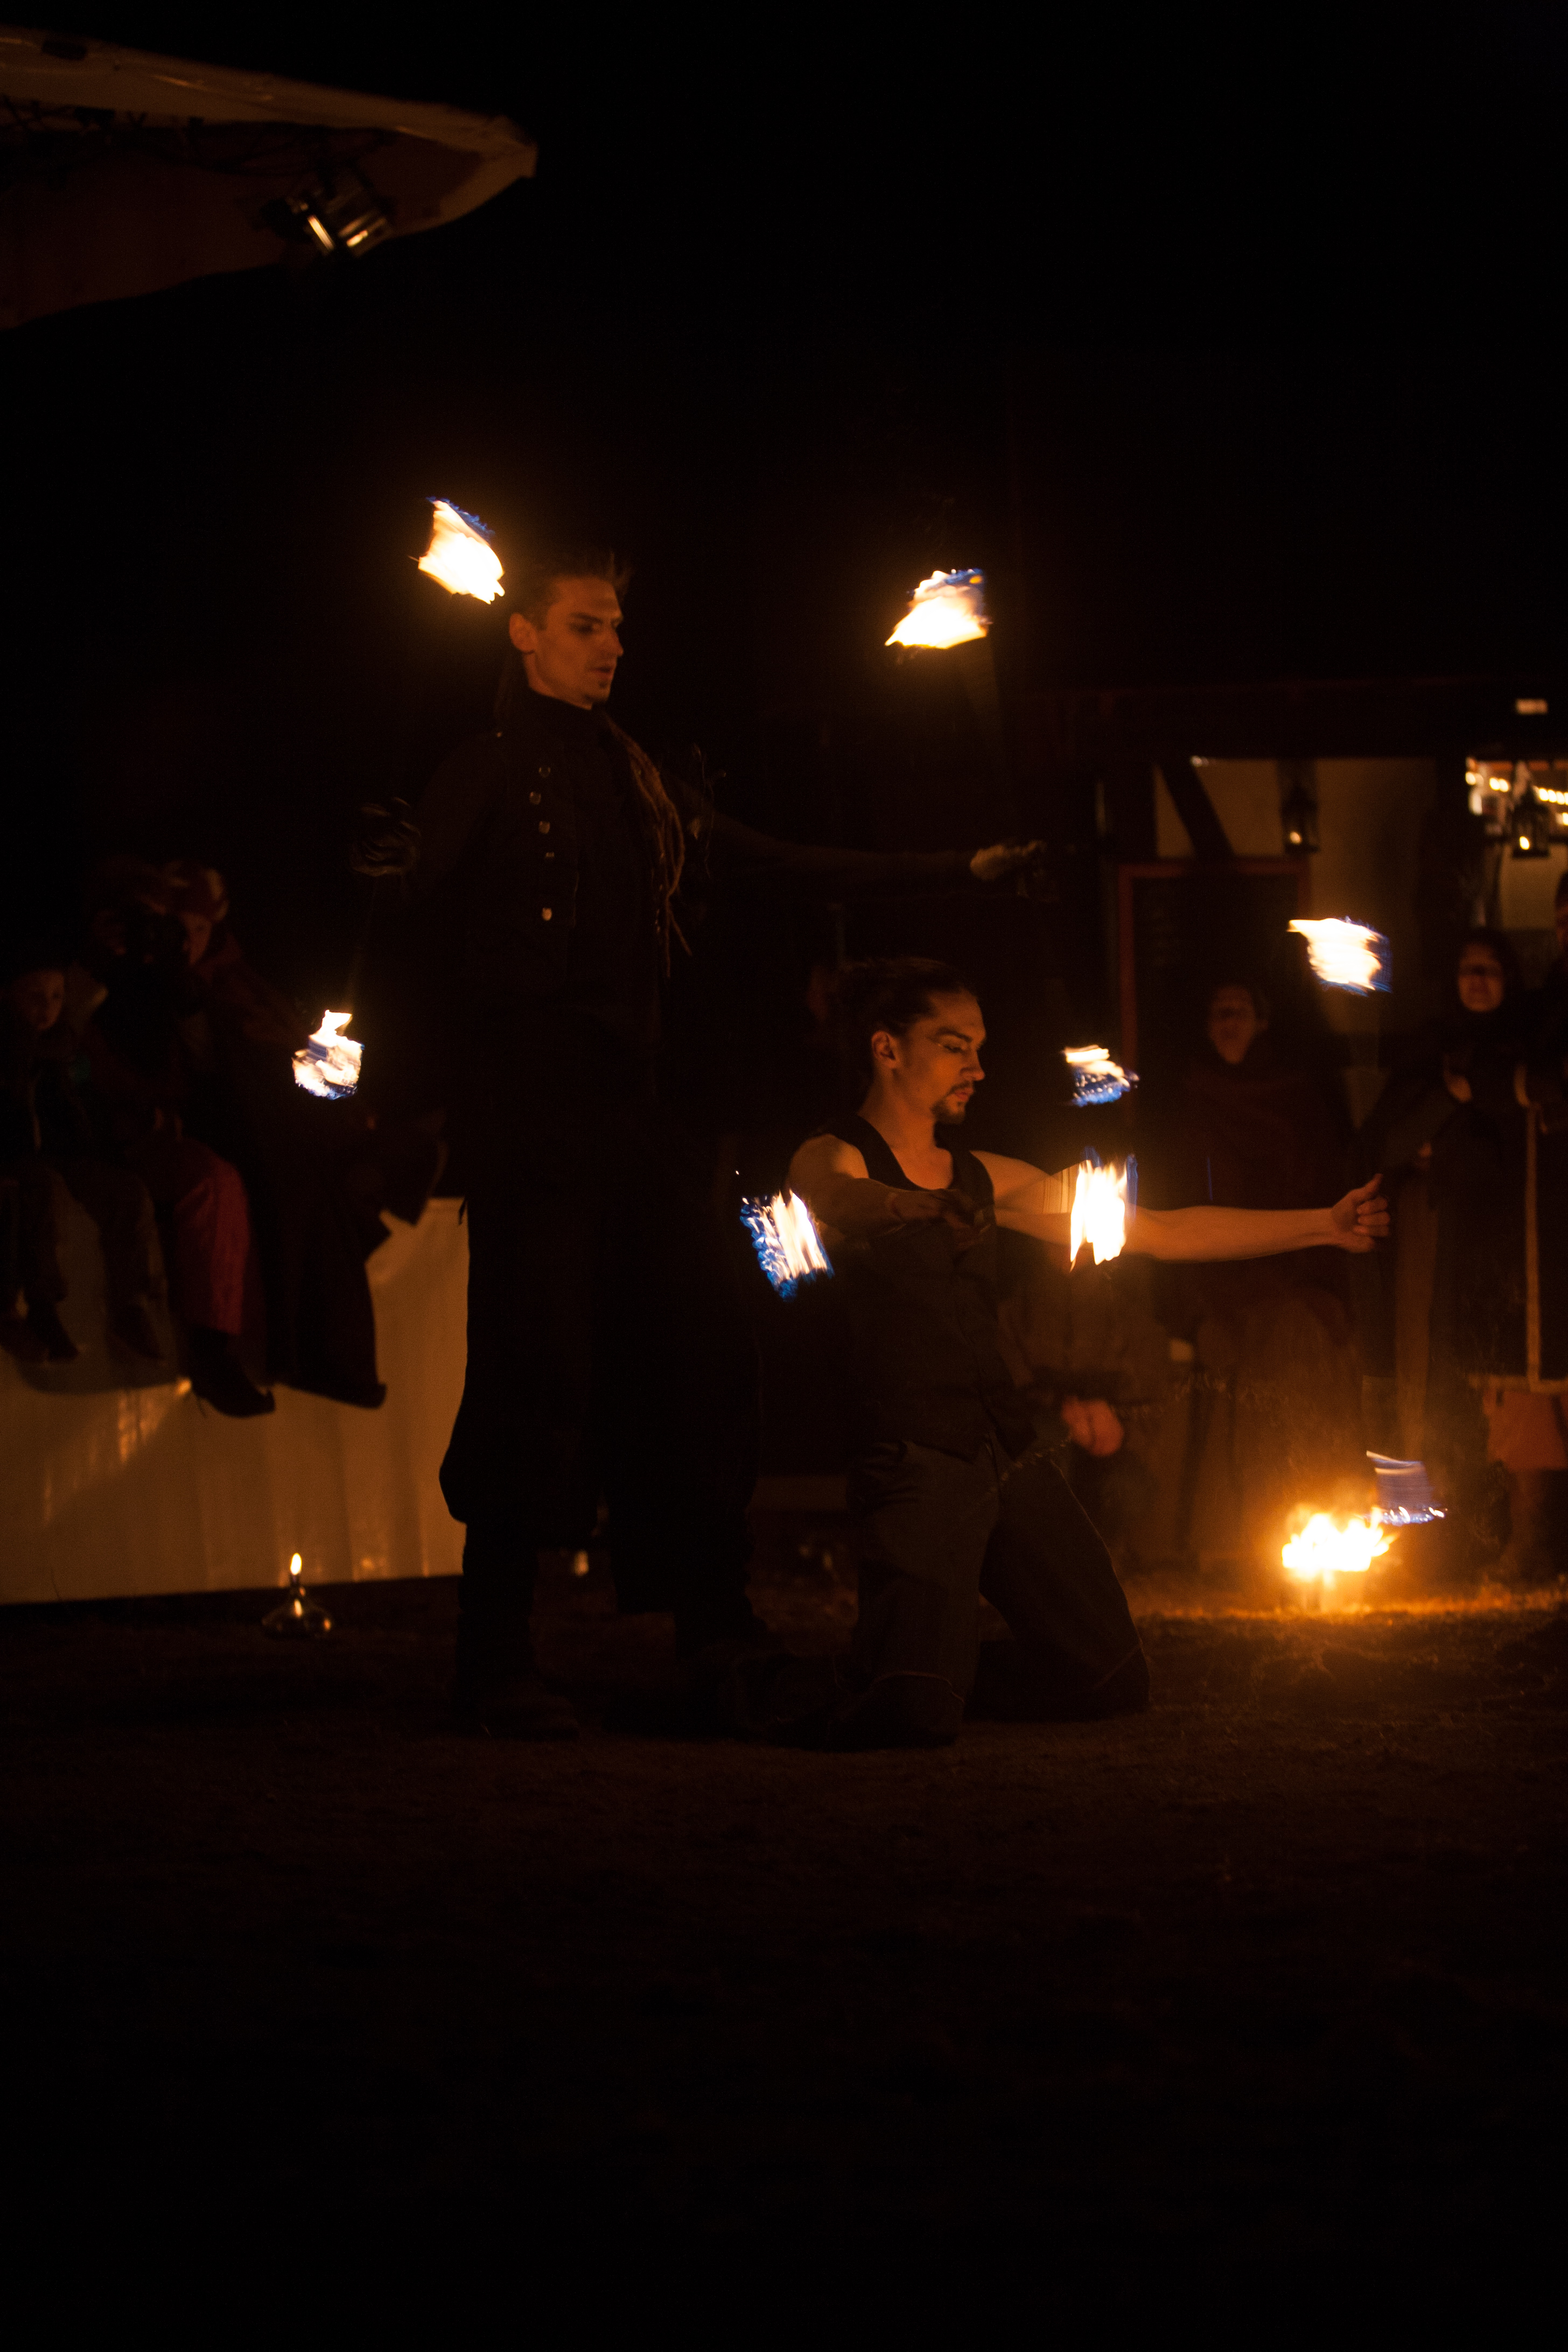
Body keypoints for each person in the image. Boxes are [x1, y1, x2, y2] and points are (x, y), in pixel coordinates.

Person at [362, 541, 1049, 1737]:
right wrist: (379, 867)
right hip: (532, 1118)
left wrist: (959, 866)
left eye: (616, 627)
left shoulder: (638, 780)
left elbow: (773, 861)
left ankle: (710, 1620)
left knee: (703, 1344)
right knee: (533, 1370)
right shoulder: (485, 767)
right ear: (525, 633)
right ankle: (493, 1653)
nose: (611, 646)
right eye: (585, 625)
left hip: (634, 1117)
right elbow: (407, 894)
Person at [786, 958, 1389, 1748]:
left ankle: (928, 1671)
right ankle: (873, 1679)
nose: (977, 1067)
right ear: (887, 1049)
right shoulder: (836, 1154)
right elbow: (837, 1199)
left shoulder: (982, 1178)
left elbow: (1161, 1231)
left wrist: (1322, 1224)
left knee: (1109, 1677)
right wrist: (913, 1205)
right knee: (910, 1715)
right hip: (914, 1456)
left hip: (1002, 1448)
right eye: (953, 1045)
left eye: (979, 1047)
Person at [1149, 974, 1363, 1567]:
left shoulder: (1296, 1099)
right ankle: (1234, 1539)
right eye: (1220, 1011)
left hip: (1290, 1275)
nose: (1229, 1022)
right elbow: (1177, 1194)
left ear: (1261, 1022)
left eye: (1240, 1010)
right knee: (1229, 1380)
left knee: (1293, 1365)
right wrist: (1190, 1298)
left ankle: (1303, 1526)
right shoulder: (1192, 1100)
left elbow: (1319, 1186)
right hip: (1215, 1275)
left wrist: (1307, 1274)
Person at [78, 859, 271, 1418]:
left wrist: (176, 983)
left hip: (155, 1131)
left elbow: (202, 1067)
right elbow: (63, 1038)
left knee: (219, 1180)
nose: (150, 933)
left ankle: (215, 1349)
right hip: (85, 1133)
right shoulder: (78, 967)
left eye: (160, 921)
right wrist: (95, 960)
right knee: (207, 1180)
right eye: (136, 919)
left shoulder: (167, 983)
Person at [0, 948, 162, 1364]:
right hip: (16, 1154)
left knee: (126, 1192)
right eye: (35, 996)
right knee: (38, 1189)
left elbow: (72, 1110)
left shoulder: (60, 1049)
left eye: (56, 997)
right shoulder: (12, 1047)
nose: (47, 1008)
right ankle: (41, 1307)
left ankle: (131, 1307)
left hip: (60, 1154)